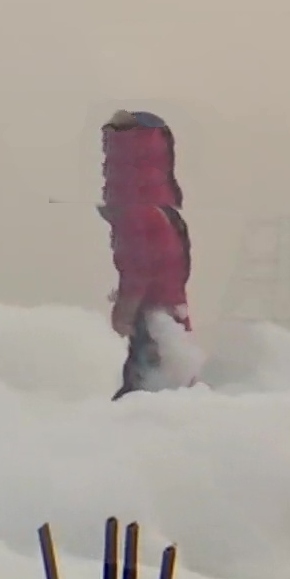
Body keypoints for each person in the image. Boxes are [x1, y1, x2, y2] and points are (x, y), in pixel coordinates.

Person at [100, 110, 195, 398]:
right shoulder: (159, 204)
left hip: (153, 318)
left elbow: (141, 263)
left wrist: (125, 309)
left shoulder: (136, 210)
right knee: (168, 389)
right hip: (169, 313)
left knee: (144, 396)